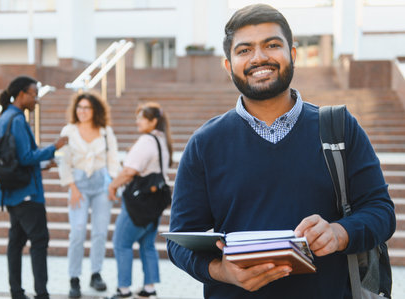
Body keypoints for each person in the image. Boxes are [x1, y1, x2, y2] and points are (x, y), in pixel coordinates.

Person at [167, 4, 396, 299]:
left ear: (293, 54)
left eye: (272, 45)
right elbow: (179, 241)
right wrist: (221, 271)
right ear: (228, 66)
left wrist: (340, 233)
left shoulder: (339, 127)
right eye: (244, 50)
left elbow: (381, 211)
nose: (259, 57)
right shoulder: (205, 143)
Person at [0, 76, 68, 299]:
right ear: (21, 95)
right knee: (39, 241)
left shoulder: (5, 117)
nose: (36, 100)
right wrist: (54, 147)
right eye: (34, 95)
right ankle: (41, 293)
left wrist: (43, 165)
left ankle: (16, 292)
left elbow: (16, 159)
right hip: (27, 194)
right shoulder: (16, 119)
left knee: (16, 242)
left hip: (13, 192)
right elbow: (25, 157)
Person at [57, 92, 120, 298]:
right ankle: (74, 278)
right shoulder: (69, 130)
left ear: (95, 111)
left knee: (100, 232)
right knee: (77, 231)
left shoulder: (105, 131)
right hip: (79, 186)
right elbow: (64, 161)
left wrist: (113, 184)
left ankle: (96, 273)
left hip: (102, 185)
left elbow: (112, 159)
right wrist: (72, 187)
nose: (82, 111)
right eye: (79, 107)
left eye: (87, 108)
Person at [108, 102, 173, 299]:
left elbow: (130, 171)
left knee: (121, 243)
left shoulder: (146, 140)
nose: (137, 121)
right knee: (147, 244)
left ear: (153, 121)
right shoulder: (162, 140)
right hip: (154, 201)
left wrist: (112, 186)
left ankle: (123, 289)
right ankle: (150, 288)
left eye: (141, 117)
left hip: (139, 202)